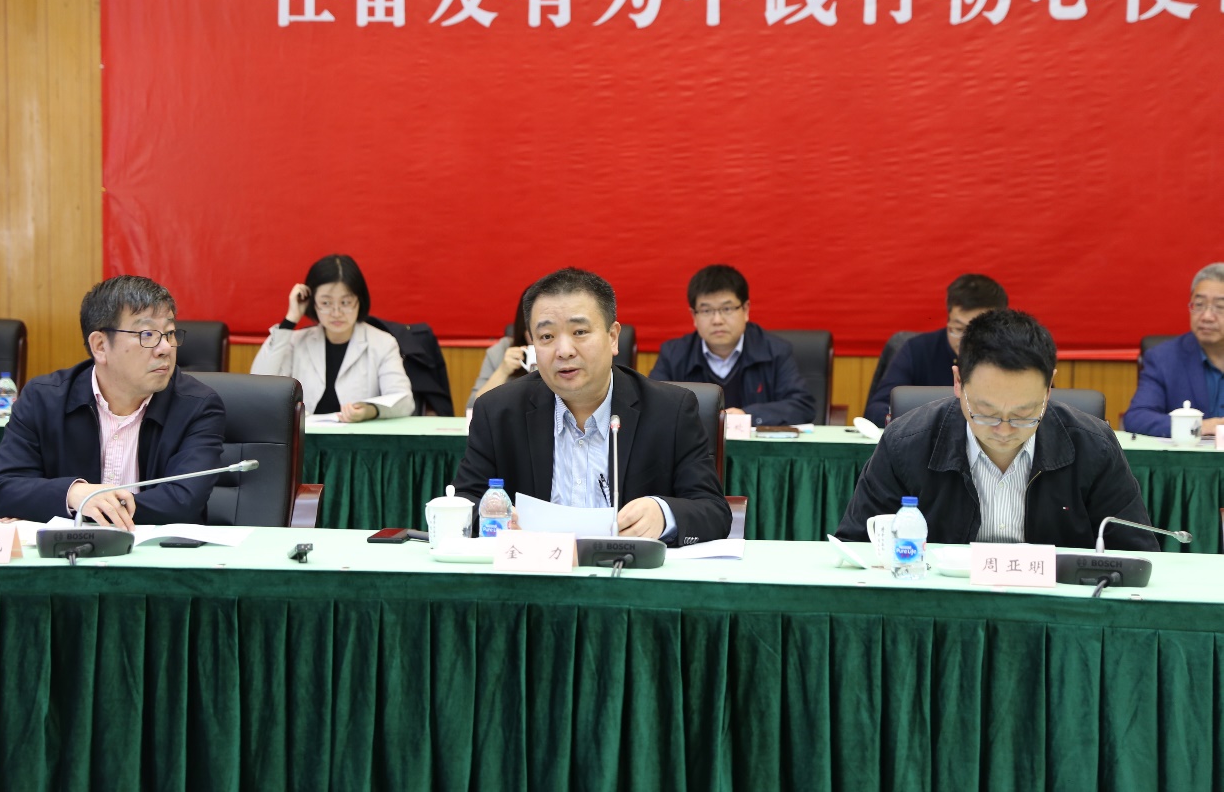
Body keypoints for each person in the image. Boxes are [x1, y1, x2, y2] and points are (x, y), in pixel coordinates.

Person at [835, 309, 1158, 551]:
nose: (1004, 430)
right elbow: (857, 546)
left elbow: (1137, 554)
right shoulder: (905, 443)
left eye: (1024, 414)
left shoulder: (1094, 446)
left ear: (1048, 388)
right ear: (958, 382)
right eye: (986, 413)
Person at [453, 268, 731, 546]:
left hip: (627, 569)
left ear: (613, 337)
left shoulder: (670, 410)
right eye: (547, 337)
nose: (564, 350)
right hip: (533, 567)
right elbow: (464, 503)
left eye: (580, 332)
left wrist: (663, 514)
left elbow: (713, 511)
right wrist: (493, 517)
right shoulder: (497, 411)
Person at [0, 275, 225, 529]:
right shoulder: (43, 399)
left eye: (170, 333)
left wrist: (85, 507)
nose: (165, 348)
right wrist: (74, 494)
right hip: (67, 553)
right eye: (148, 334)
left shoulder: (198, 407)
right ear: (99, 346)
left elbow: (183, 503)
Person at [251, 254, 414, 421]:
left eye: (345, 302)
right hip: (304, 435)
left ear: (359, 300)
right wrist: (290, 319)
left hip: (356, 435)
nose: (336, 313)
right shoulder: (295, 341)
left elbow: (404, 401)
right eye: (326, 303)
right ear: (313, 303)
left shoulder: (383, 343)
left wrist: (371, 410)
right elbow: (259, 386)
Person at [649, 264, 815, 426]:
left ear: (746, 310)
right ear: (694, 316)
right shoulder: (673, 355)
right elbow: (652, 406)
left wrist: (748, 416)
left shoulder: (776, 352)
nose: (717, 320)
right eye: (706, 311)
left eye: (727, 309)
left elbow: (802, 406)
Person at [863, 273, 1009, 427]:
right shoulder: (917, 350)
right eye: (958, 329)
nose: (966, 340)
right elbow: (877, 410)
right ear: (948, 320)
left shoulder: (1014, 357)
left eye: (978, 331)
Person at [1125, 263, 1224, 437]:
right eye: (1199, 305)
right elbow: (1137, 418)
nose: (1207, 317)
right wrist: (1200, 426)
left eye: (1220, 307)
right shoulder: (1163, 358)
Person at [466, 289, 535, 409]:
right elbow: (472, 408)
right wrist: (503, 371)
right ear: (522, 326)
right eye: (532, 328)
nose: (538, 337)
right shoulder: (501, 350)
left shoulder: (565, 353)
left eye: (547, 335)